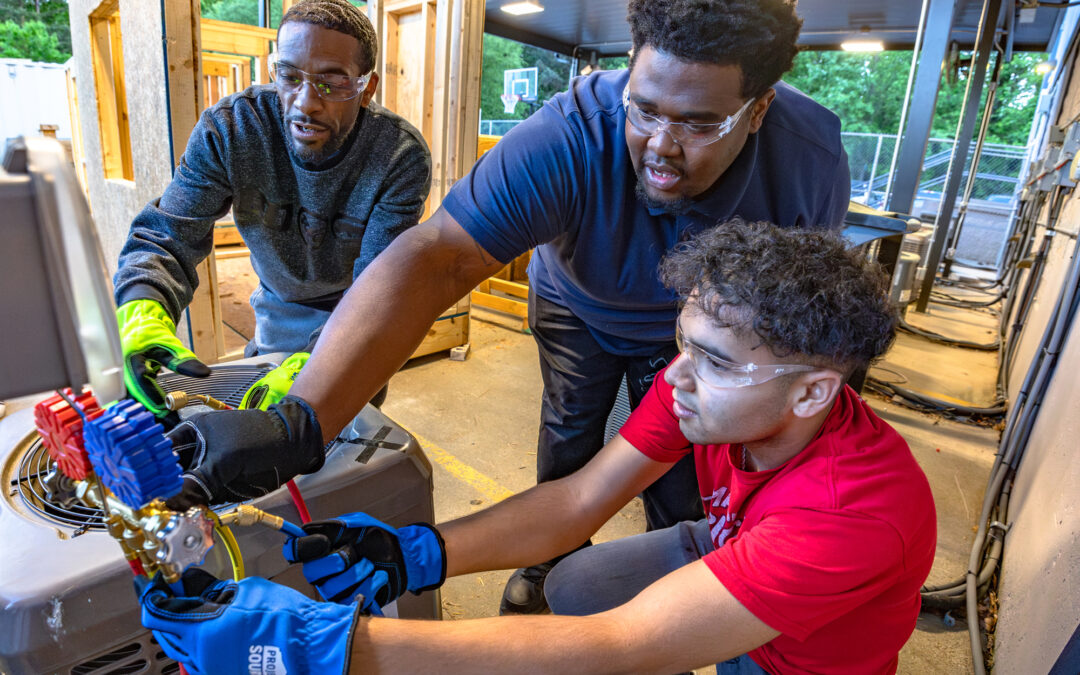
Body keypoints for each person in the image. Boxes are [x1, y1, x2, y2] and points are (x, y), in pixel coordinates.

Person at [161, 0, 851, 614]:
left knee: (685, 475)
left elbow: (786, 332)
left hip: (702, 339)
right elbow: (438, 256)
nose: (659, 146)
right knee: (572, 435)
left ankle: (683, 578)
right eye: (643, 110)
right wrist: (299, 422)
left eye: (698, 124)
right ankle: (550, 557)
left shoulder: (807, 162)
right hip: (579, 305)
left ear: (758, 108)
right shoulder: (575, 134)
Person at [138, 220, 936, 674]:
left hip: (803, 660)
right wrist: (417, 552)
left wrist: (337, 648)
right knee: (583, 579)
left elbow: (618, 644)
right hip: (733, 539)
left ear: (811, 391)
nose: (676, 376)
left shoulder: (849, 513)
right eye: (684, 343)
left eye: (716, 361)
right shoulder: (710, 396)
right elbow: (580, 499)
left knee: (619, 641)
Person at [112, 0, 431, 426]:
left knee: (337, 456)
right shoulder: (233, 129)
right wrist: (141, 307)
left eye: (332, 83)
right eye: (290, 76)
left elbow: (378, 289)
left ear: (366, 88)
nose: (306, 103)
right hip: (275, 312)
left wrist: (319, 370)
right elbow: (169, 236)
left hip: (356, 323)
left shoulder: (397, 157)